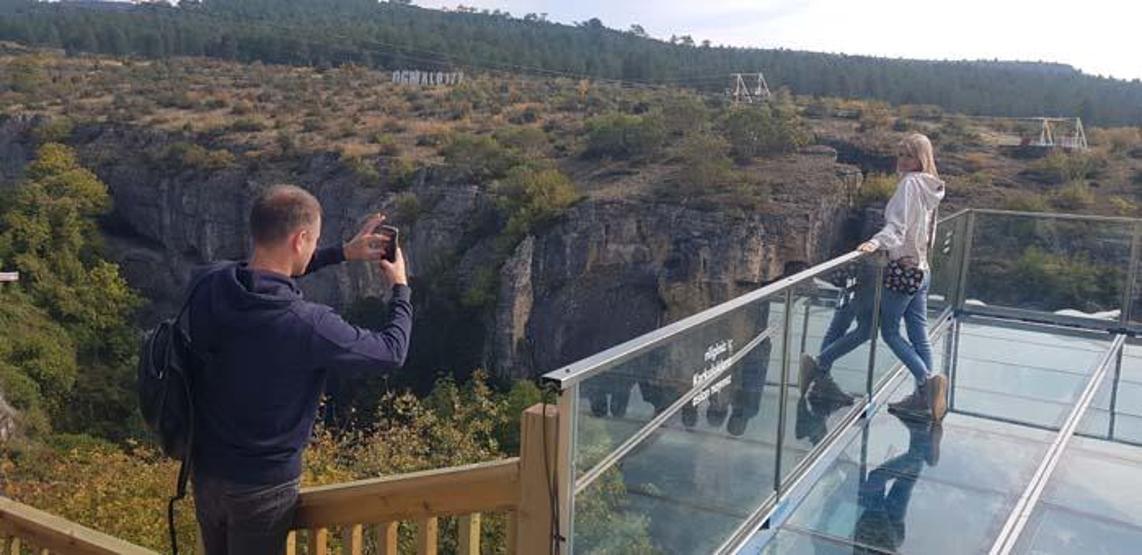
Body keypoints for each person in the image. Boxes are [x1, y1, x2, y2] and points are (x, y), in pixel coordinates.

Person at [186, 185, 412, 554]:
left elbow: (261, 277)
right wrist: (400, 287)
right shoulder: (306, 324)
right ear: (301, 238)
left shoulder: (208, 282)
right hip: (261, 487)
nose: (313, 247)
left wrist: (341, 253)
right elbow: (391, 352)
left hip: (206, 471)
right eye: (314, 241)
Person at [803, 133, 947, 422]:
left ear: (922, 158)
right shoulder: (932, 187)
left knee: (889, 332)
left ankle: (925, 382)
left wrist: (875, 243)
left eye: (909, 155)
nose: (903, 160)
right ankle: (925, 394)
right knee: (917, 331)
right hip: (921, 270)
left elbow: (898, 227)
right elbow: (923, 231)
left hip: (901, 272)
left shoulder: (909, 185)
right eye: (901, 154)